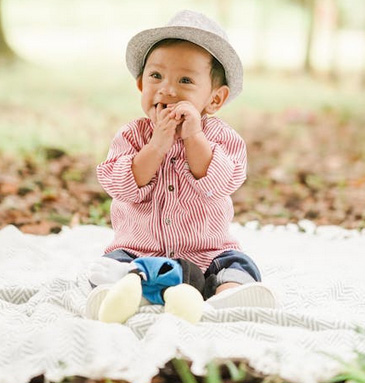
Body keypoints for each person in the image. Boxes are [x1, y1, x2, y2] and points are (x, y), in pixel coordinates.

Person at [86, 10, 275, 323]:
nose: (167, 89)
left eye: (185, 80)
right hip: (138, 253)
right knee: (108, 266)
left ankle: (228, 296)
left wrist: (194, 137)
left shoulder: (221, 137)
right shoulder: (132, 135)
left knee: (238, 264)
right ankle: (127, 294)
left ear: (215, 99)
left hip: (206, 253)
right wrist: (156, 146)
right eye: (156, 76)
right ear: (140, 85)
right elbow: (119, 185)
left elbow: (220, 182)